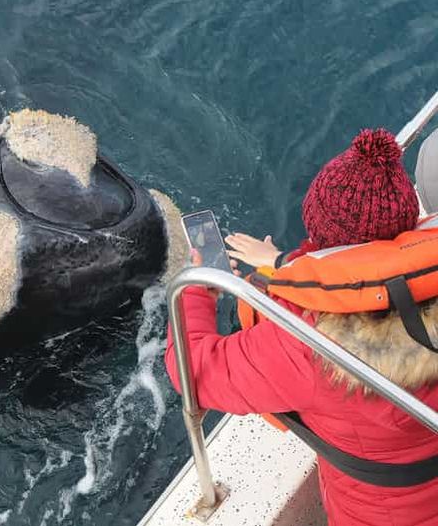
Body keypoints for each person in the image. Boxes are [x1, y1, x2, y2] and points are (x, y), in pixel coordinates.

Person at [166, 128, 438, 526]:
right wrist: (282, 264)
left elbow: (195, 372)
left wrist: (197, 290)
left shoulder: (306, 341)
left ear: (319, 233)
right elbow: (373, 276)